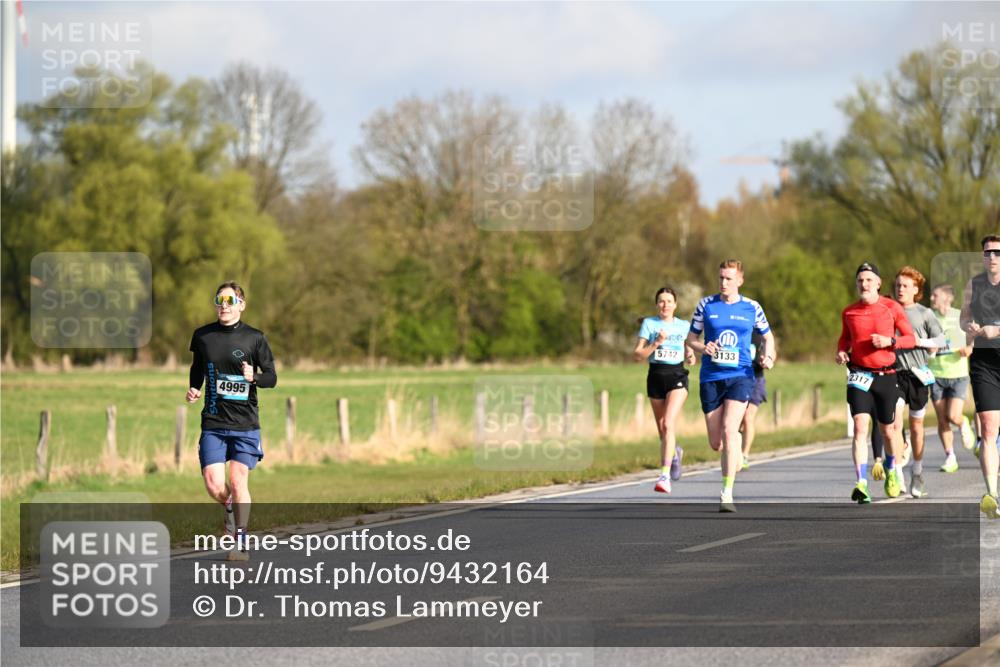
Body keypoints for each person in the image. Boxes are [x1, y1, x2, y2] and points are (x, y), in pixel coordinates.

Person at [187, 282, 277, 560]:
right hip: (213, 420)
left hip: (245, 424)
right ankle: (229, 511)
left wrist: (255, 377)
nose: (224, 305)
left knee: (238, 481)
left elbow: (271, 377)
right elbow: (198, 367)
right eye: (219, 299)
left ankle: (240, 541)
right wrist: (194, 387)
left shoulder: (255, 338)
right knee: (214, 484)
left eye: (230, 299)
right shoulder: (203, 336)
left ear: (241, 304)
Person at [686, 260, 775, 513]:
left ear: (740, 280)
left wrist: (769, 357)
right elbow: (691, 338)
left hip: (741, 374)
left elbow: (768, 337)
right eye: (721, 278)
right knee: (718, 443)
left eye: (728, 278)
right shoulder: (706, 305)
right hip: (711, 377)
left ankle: (726, 493)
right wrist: (704, 348)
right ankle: (733, 443)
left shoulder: (752, 307)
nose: (724, 283)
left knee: (728, 428)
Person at [836, 262, 915, 503]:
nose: (864, 284)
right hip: (859, 375)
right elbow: (844, 340)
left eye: (869, 280)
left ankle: (892, 468)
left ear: (878, 284)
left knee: (888, 431)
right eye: (860, 280)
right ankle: (861, 483)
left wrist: (890, 341)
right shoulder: (849, 312)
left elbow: (911, 338)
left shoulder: (891, 308)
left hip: (886, 375)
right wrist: (841, 352)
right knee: (860, 427)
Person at [634, 288, 696, 494]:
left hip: (677, 376)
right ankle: (675, 453)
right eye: (661, 301)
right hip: (655, 376)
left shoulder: (684, 325)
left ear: (675, 305)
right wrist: (656, 343)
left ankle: (664, 476)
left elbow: (689, 346)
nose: (665, 305)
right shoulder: (649, 324)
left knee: (669, 423)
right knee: (663, 429)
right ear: (656, 304)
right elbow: (638, 355)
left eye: (669, 301)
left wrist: (690, 355)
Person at [890, 267, 945, 498]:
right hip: (893, 373)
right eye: (898, 285)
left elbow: (941, 339)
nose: (900, 289)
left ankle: (918, 470)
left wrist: (918, 341)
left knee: (916, 427)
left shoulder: (924, 314)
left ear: (916, 290)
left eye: (905, 286)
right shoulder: (888, 310)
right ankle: (897, 471)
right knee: (893, 423)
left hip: (918, 375)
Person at [960, 235, 1000, 518]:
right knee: (988, 428)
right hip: (984, 364)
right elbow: (962, 317)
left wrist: (995, 330)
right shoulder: (973, 285)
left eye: (998, 252)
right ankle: (991, 495)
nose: (993, 257)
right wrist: (970, 328)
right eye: (988, 253)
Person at [928, 283, 976, 473]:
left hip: (958, 374)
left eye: (935, 295)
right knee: (942, 420)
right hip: (936, 374)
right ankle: (950, 457)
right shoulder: (929, 317)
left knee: (953, 415)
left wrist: (969, 349)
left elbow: (972, 339)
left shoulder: (960, 316)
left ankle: (964, 423)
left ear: (947, 298)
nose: (931, 298)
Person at [738, 330, 770, 470]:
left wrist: (768, 359)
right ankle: (735, 451)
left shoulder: (761, 332)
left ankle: (744, 455)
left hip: (756, 378)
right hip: (737, 379)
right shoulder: (736, 328)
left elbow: (772, 351)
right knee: (737, 421)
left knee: (747, 417)